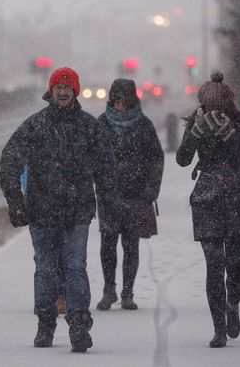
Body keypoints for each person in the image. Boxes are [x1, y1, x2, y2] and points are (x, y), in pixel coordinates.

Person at [0, 67, 117, 353]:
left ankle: (78, 322)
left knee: (75, 266)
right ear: (50, 92)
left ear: (75, 91)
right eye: (58, 88)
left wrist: (108, 202)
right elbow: (10, 160)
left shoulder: (89, 127)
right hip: (41, 210)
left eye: (68, 88)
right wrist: (15, 200)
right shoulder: (35, 125)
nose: (63, 92)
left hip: (77, 209)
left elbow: (106, 167)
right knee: (46, 269)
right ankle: (46, 321)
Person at [176, 72, 240, 348]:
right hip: (207, 199)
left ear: (228, 102)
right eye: (209, 105)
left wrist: (230, 136)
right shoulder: (197, 121)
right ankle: (218, 327)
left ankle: (232, 303)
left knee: (236, 262)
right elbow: (182, 160)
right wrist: (194, 134)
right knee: (214, 266)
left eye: (218, 105)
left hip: (237, 198)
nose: (213, 110)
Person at [95, 79, 164, 311]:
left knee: (131, 245)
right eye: (116, 101)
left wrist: (150, 191)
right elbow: (91, 158)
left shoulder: (144, 125)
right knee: (107, 244)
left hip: (136, 196)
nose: (120, 106)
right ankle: (109, 290)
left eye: (123, 101)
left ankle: (127, 292)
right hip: (108, 195)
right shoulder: (101, 124)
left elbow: (156, 159)